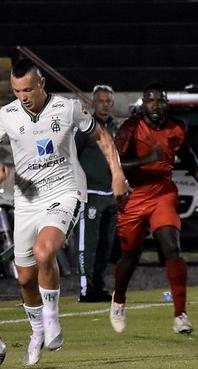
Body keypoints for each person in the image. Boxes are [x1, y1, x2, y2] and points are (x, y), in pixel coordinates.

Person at [0, 58, 129, 366]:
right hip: (26, 201)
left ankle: (52, 320)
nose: (23, 96)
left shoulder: (68, 108)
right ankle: (36, 332)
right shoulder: (6, 116)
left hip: (63, 193)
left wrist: (116, 173)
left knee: (44, 252)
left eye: (28, 89)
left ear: (42, 84)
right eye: (17, 90)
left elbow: (101, 135)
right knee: (24, 278)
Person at [109, 83, 198, 336]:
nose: (155, 105)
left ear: (166, 103)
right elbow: (116, 163)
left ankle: (180, 315)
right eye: (150, 100)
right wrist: (146, 159)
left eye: (159, 101)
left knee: (171, 247)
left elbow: (188, 157)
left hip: (163, 192)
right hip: (134, 195)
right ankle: (119, 299)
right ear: (143, 103)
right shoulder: (131, 127)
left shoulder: (177, 127)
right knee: (130, 256)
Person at [74, 84, 119, 302]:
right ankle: (86, 289)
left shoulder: (115, 129)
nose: (105, 105)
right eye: (101, 101)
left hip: (110, 195)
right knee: (87, 243)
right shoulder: (84, 128)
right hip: (89, 193)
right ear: (93, 103)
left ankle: (98, 286)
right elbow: (71, 156)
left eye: (109, 101)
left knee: (106, 245)